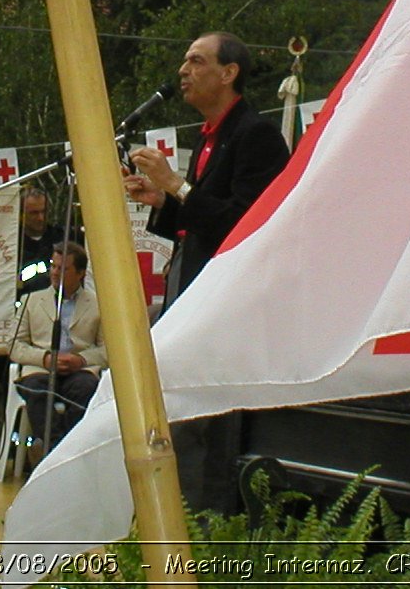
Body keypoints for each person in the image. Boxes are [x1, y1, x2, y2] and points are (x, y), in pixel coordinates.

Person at [123, 31, 290, 512]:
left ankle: (201, 534)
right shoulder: (210, 139)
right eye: (183, 60)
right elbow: (201, 217)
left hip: (225, 306)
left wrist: (176, 184)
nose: (183, 70)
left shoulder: (255, 135)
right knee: (174, 418)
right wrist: (162, 199)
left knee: (201, 425)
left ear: (229, 72)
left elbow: (243, 225)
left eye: (195, 60)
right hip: (190, 290)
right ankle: (171, 521)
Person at [10, 241, 105, 455]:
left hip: (78, 369)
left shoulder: (98, 305)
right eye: (53, 266)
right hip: (40, 368)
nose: (54, 272)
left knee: (86, 389)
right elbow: (14, 345)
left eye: (62, 269)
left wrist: (81, 360)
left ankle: (68, 448)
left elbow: (107, 350)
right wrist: (44, 358)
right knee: (36, 389)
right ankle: (56, 451)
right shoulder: (31, 301)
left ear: (80, 273)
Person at [16, 185, 61, 297]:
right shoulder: (11, 244)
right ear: (21, 214)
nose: (40, 218)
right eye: (34, 213)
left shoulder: (62, 238)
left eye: (44, 212)